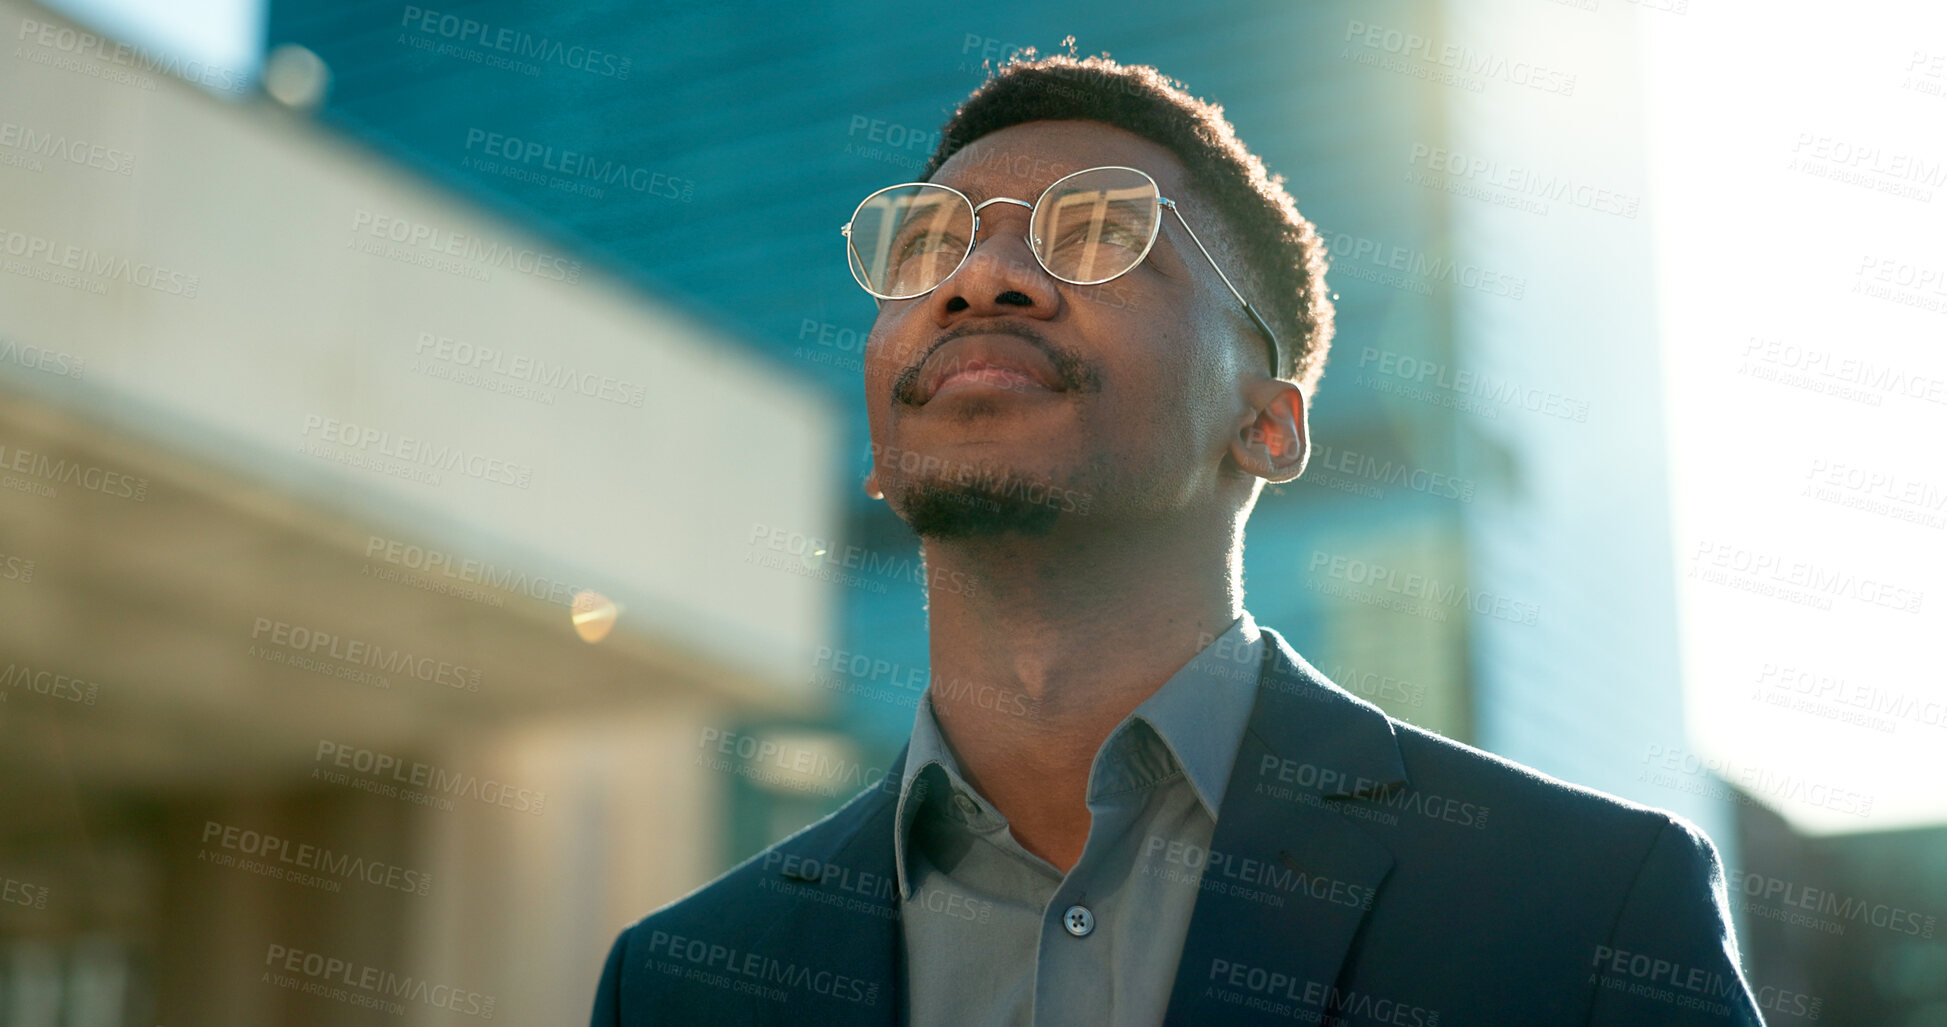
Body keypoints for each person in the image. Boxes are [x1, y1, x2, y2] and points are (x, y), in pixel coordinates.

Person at [592, 53, 1762, 1026]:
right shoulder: (680, 983)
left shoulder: (1584, 908)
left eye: (1096, 234)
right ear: (881, 445)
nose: (984, 277)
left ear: (1267, 424)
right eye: (927, 250)